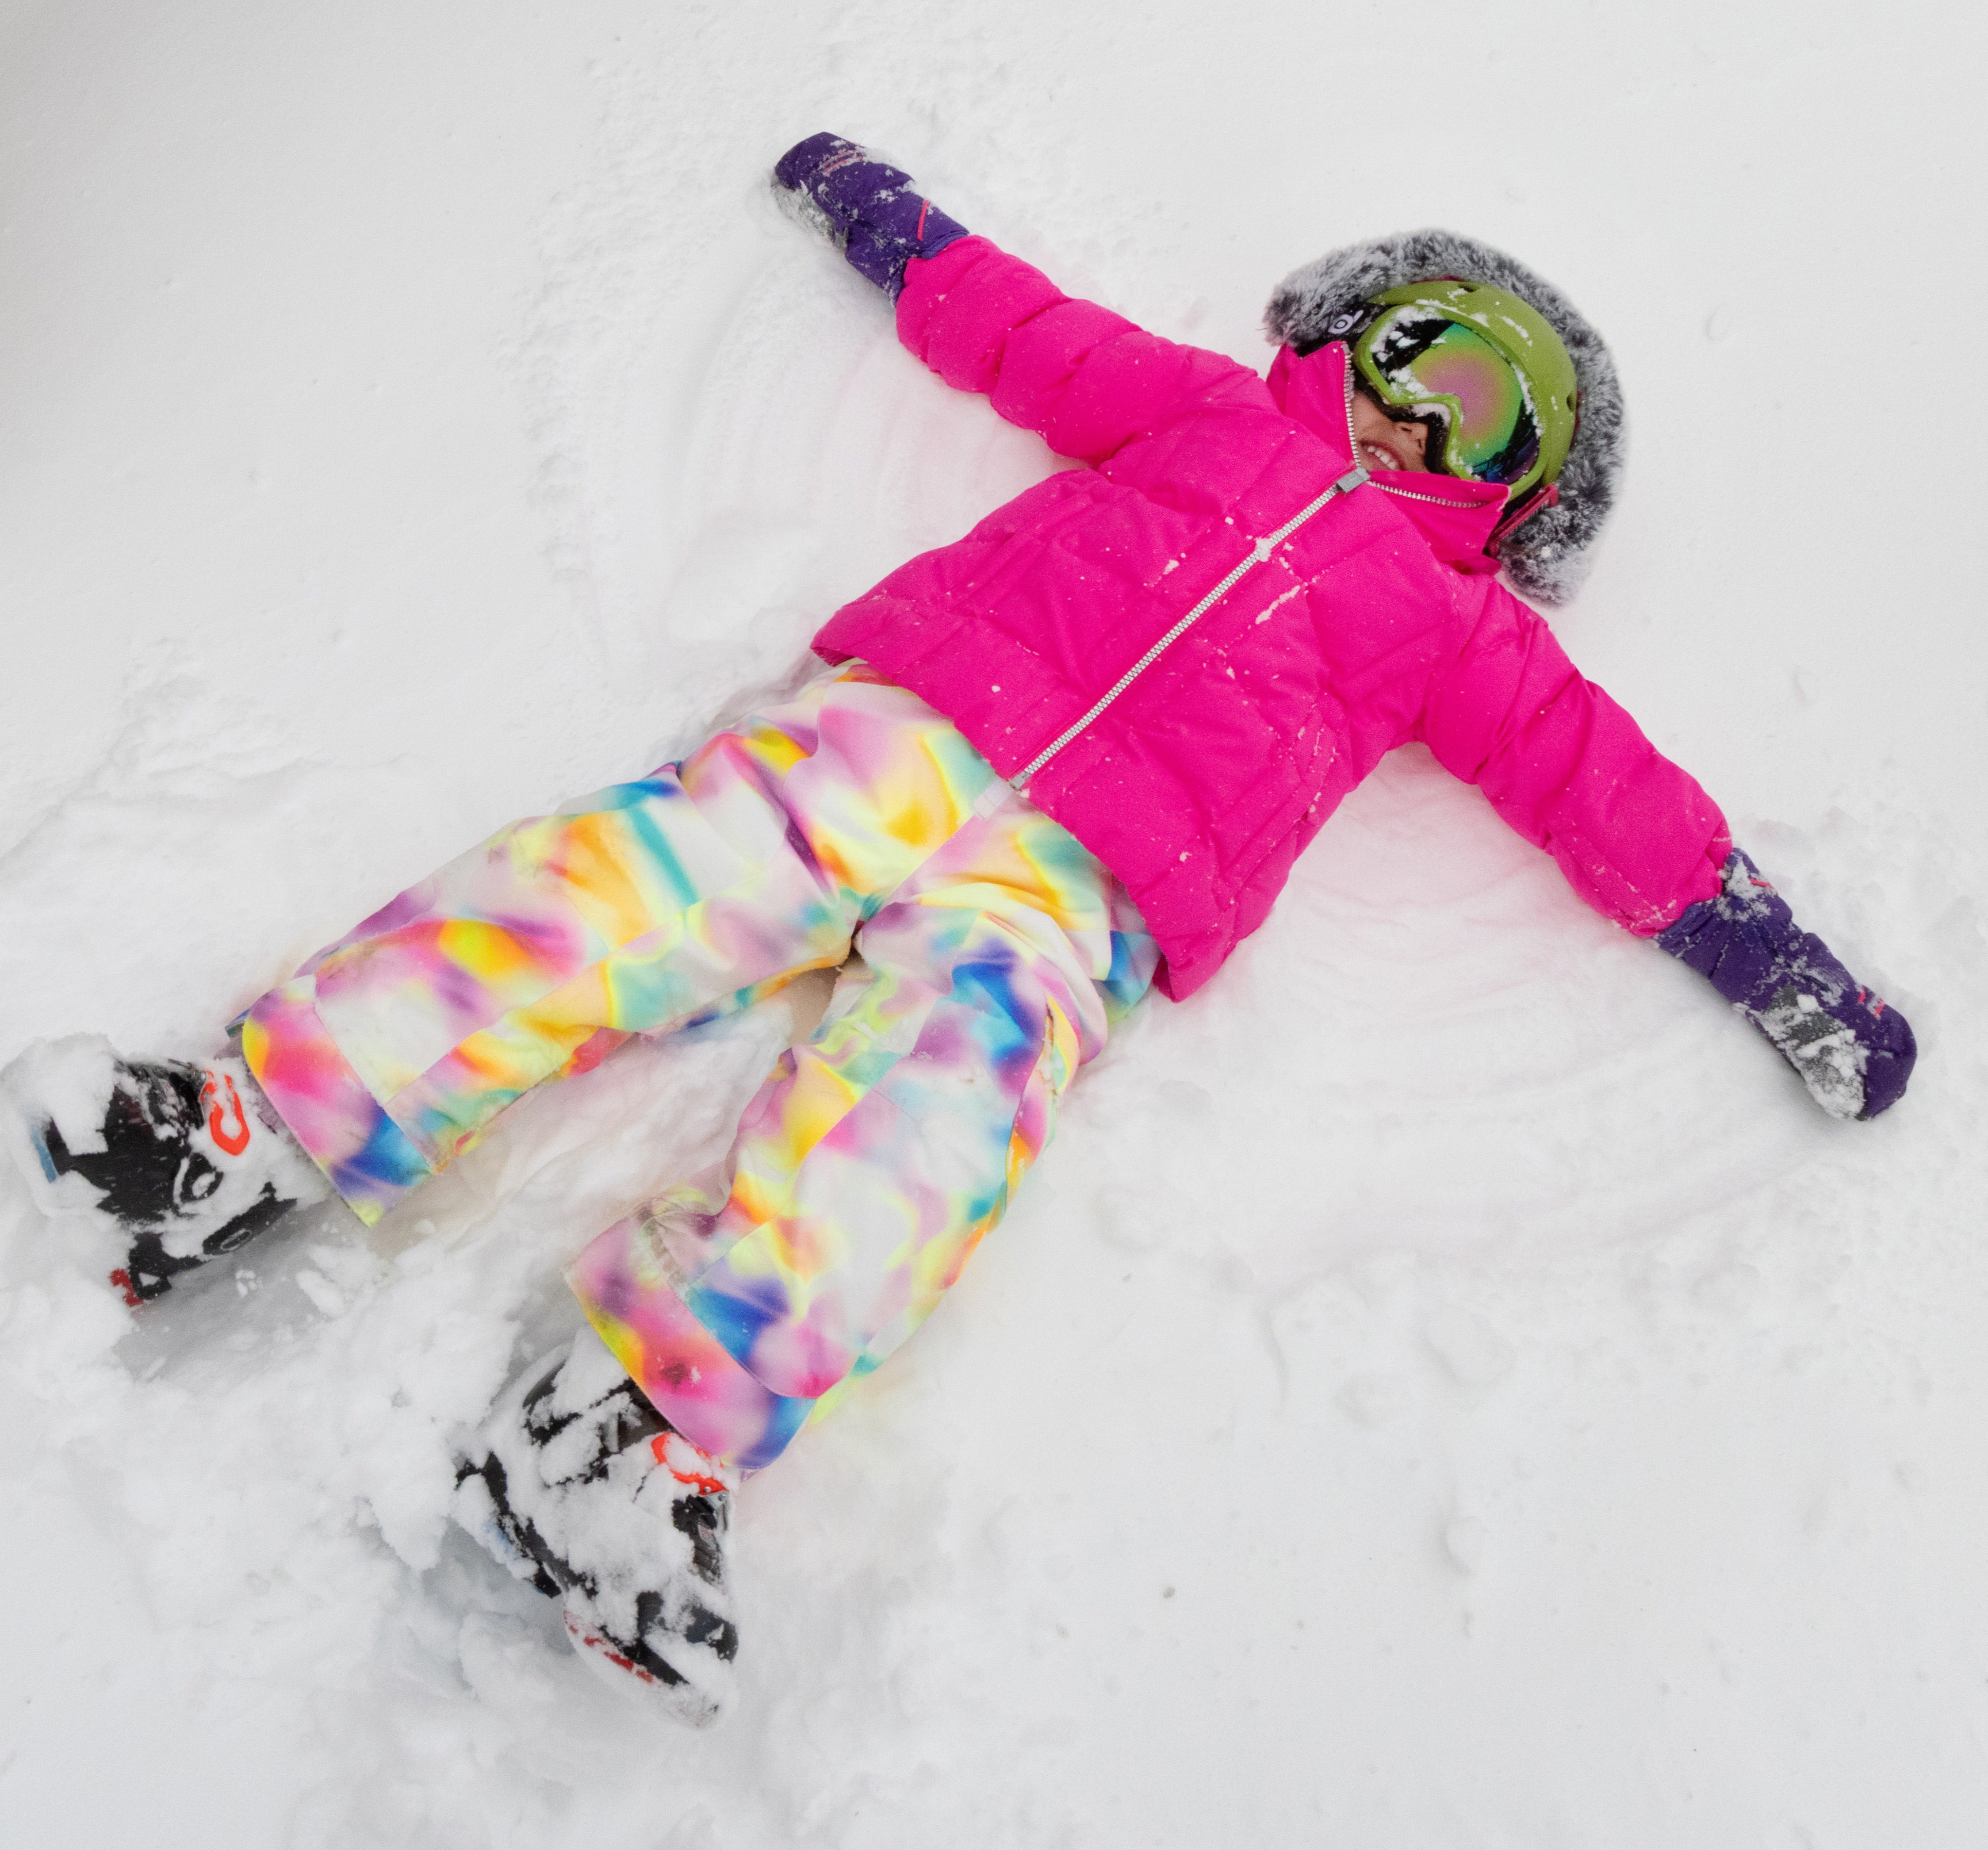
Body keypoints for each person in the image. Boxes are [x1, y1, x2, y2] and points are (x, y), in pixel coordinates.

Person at [6, 136, 1916, 1722]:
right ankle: (229, 1134)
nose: (1425, 400)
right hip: (903, 734)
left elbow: (1600, 783)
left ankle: (627, 1438)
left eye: (1488, 407)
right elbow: (1027, 337)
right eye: (1422, 341)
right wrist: (887, 223)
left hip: (1071, 903)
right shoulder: (1200, 413)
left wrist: (1763, 953)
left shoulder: (1458, 632)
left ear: (1520, 499)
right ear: (1344, 324)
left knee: (920, 1151)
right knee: (603, 904)